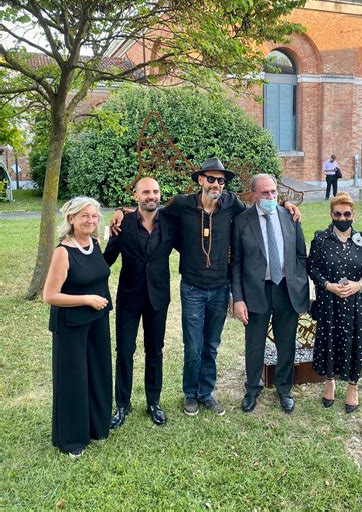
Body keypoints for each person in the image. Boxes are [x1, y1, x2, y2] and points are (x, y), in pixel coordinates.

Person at [110, 158, 301, 417]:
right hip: (192, 288)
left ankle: (206, 392)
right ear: (200, 180)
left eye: (221, 180)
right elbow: (152, 209)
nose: (216, 184)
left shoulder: (232, 204)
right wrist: (123, 210)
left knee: (211, 345)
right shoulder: (182, 206)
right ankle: (190, 393)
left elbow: (258, 209)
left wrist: (284, 205)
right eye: (210, 178)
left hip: (220, 288)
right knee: (193, 346)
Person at [231, 174, 309, 414]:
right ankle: (252, 388)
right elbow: (235, 262)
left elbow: (300, 254)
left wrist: (299, 282)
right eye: (265, 193)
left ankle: (284, 389)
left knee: (287, 342)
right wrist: (238, 298)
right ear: (254, 194)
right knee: (255, 343)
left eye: (274, 192)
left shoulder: (290, 216)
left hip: (286, 288)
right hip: (257, 290)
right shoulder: (242, 221)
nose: (271, 197)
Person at [104, 178, 177, 430]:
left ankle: (153, 402)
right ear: (136, 196)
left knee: (154, 351)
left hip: (158, 297)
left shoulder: (169, 221)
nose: (152, 196)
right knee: (124, 352)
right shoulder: (122, 224)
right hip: (129, 297)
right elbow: (107, 261)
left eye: (156, 191)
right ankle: (122, 404)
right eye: (146, 191)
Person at [43, 197, 112, 458]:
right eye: (84, 216)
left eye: (94, 216)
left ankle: (97, 426)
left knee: (98, 373)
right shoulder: (63, 252)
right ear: (71, 219)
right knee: (73, 380)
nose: (90, 221)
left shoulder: (94, 243)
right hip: (71, 324)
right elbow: (49, 296)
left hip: (97, 320)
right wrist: (86, 299)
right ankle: (72, 439)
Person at [306, 192, 362, 412]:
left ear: (353, 214)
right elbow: (312, 267)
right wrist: (328, 285)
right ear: (331, 214)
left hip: (357, 302)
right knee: (329, 339)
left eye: (347, 214)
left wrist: (359, 285)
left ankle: (353, 387)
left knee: (355, 340)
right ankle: (329, 382)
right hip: (329, 300)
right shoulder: (320, 238)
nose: (342, 218)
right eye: (338, 213)